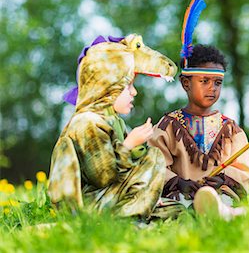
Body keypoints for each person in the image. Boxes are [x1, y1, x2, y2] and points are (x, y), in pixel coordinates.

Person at [47, 34, 178, 221]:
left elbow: (126, 171)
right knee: (154, 157)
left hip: (110, 198)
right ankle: (129, 222)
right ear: (108, 86)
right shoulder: (87, 122)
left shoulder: (113, 120)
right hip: (91, 204)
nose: (134, 92)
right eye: (128, 86)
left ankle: (142, 211)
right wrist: (129, 145)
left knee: (176, 209)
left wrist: (151, 193)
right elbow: (103, 177)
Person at [149, 44, 249, 216]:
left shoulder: (231, 129)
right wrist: (178, 182)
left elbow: (243, 170)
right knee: (173, 208)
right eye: (204, 81)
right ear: (186, 83)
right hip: (179, 196)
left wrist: (224, 178)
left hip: (221, 195)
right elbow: (155, 165)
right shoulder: (167, 125)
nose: (212, 88)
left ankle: (219, 211)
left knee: (224, 203)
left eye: (218, 83)